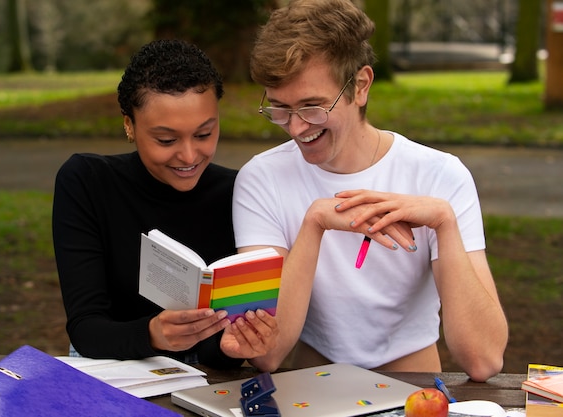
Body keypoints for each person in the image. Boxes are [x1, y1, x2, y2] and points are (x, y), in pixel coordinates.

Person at [231, 0, 508, 382]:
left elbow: (484, 360)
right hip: (312, 389)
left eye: (312, 107)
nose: (295, 128)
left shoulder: (439, 175)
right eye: (279, 108)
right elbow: (268, 353)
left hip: (415, 388)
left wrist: (444, 223)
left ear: (360, 86)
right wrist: (314, 223)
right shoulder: (261, 179)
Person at [52, 39, 277, 369]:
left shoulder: (240, 191)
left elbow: (226, 346)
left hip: (208, 379)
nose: (188, 156)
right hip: (112, 370)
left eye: (204, 134)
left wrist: (240, 344)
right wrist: (152, 334)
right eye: (166, 140)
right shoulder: (88, 182)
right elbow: (85, 329)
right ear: (129, 125)